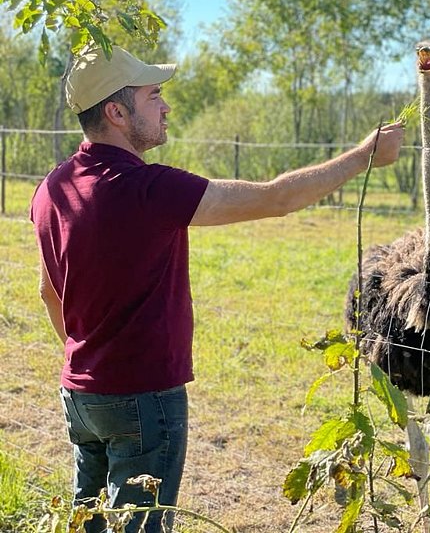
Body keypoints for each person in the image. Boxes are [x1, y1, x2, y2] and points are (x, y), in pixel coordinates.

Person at [30, 46, 405, 532]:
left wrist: (88, 361)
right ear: (116, 113)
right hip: (142, 396)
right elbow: (278, 198)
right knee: (140, 525)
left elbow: (48, 293)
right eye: (153, 96)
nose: (166, 107)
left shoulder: (52, 188)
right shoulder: (149, 189)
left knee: (90, 521)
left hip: (81, 395)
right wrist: (364, 155)